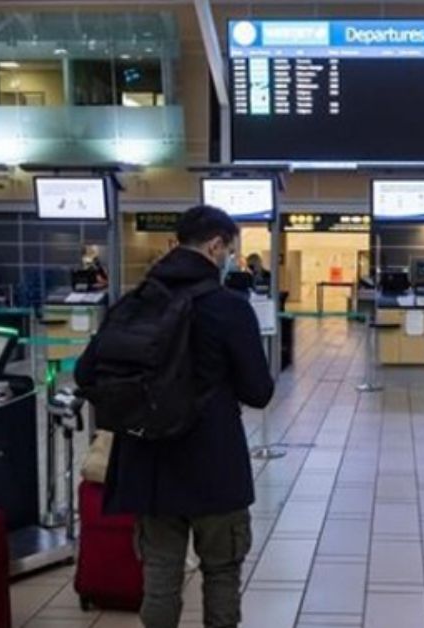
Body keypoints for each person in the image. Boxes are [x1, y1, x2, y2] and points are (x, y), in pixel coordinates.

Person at [100, 205, 275, 628]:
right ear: (215, 246)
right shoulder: (228, 308)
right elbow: (259, 391)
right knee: (221, 572)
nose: (230, 258)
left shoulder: (134, 302)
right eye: (229, 250)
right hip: (214, 463)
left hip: (149, 464)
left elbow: (91, 371)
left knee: (160, 579)